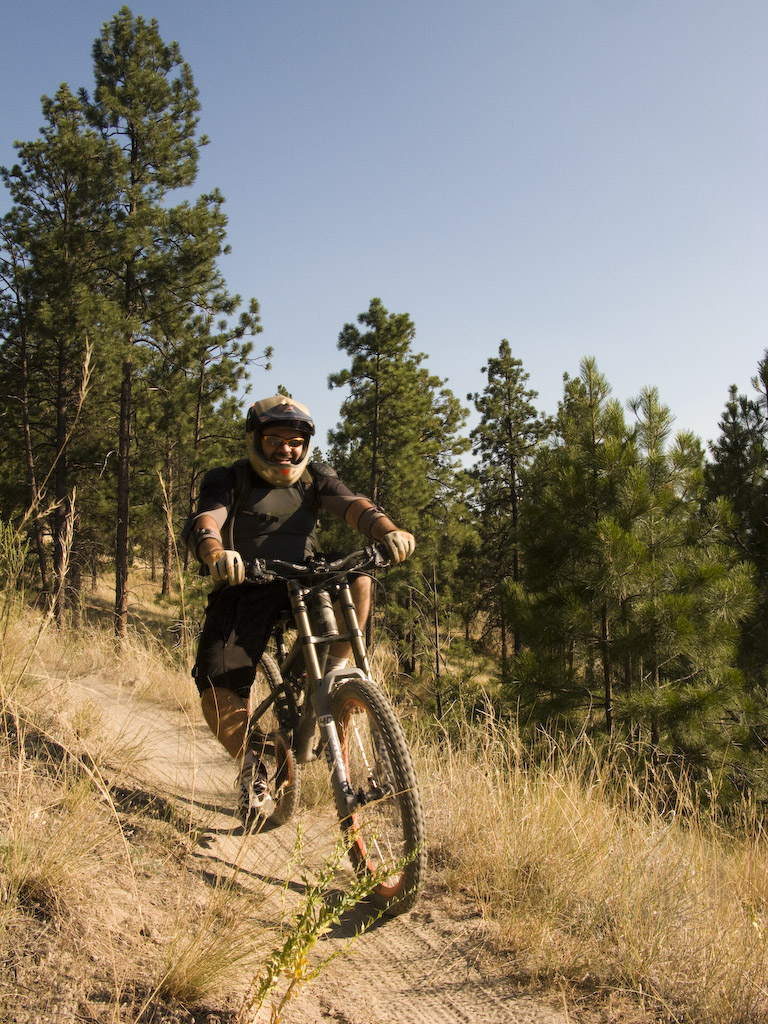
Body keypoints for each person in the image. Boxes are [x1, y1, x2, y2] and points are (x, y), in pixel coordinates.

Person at [183, 394, 416, 822]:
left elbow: (353, 505)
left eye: (295, 442)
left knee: (360, 578)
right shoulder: (229, 479)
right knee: (219, 681)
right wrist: (216, 553)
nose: (286, 450)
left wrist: (387, 530)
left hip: (304, 578)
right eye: (275, 440)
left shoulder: (315, 478)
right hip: (245, 583)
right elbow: (207, 520)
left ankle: (336, 676)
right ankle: (253, 767)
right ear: (255, 439)